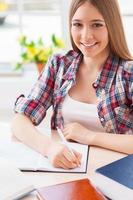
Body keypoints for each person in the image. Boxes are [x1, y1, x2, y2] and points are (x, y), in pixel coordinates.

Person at [11, 0, 133, 169]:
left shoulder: (128, 74)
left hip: (117, 173)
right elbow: (19, 121)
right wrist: (49, 148)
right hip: (66, 170)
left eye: (96, 25)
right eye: (78, 24)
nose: (86, 36)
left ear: (112, 26)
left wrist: (89, 136)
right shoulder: (59, 64)